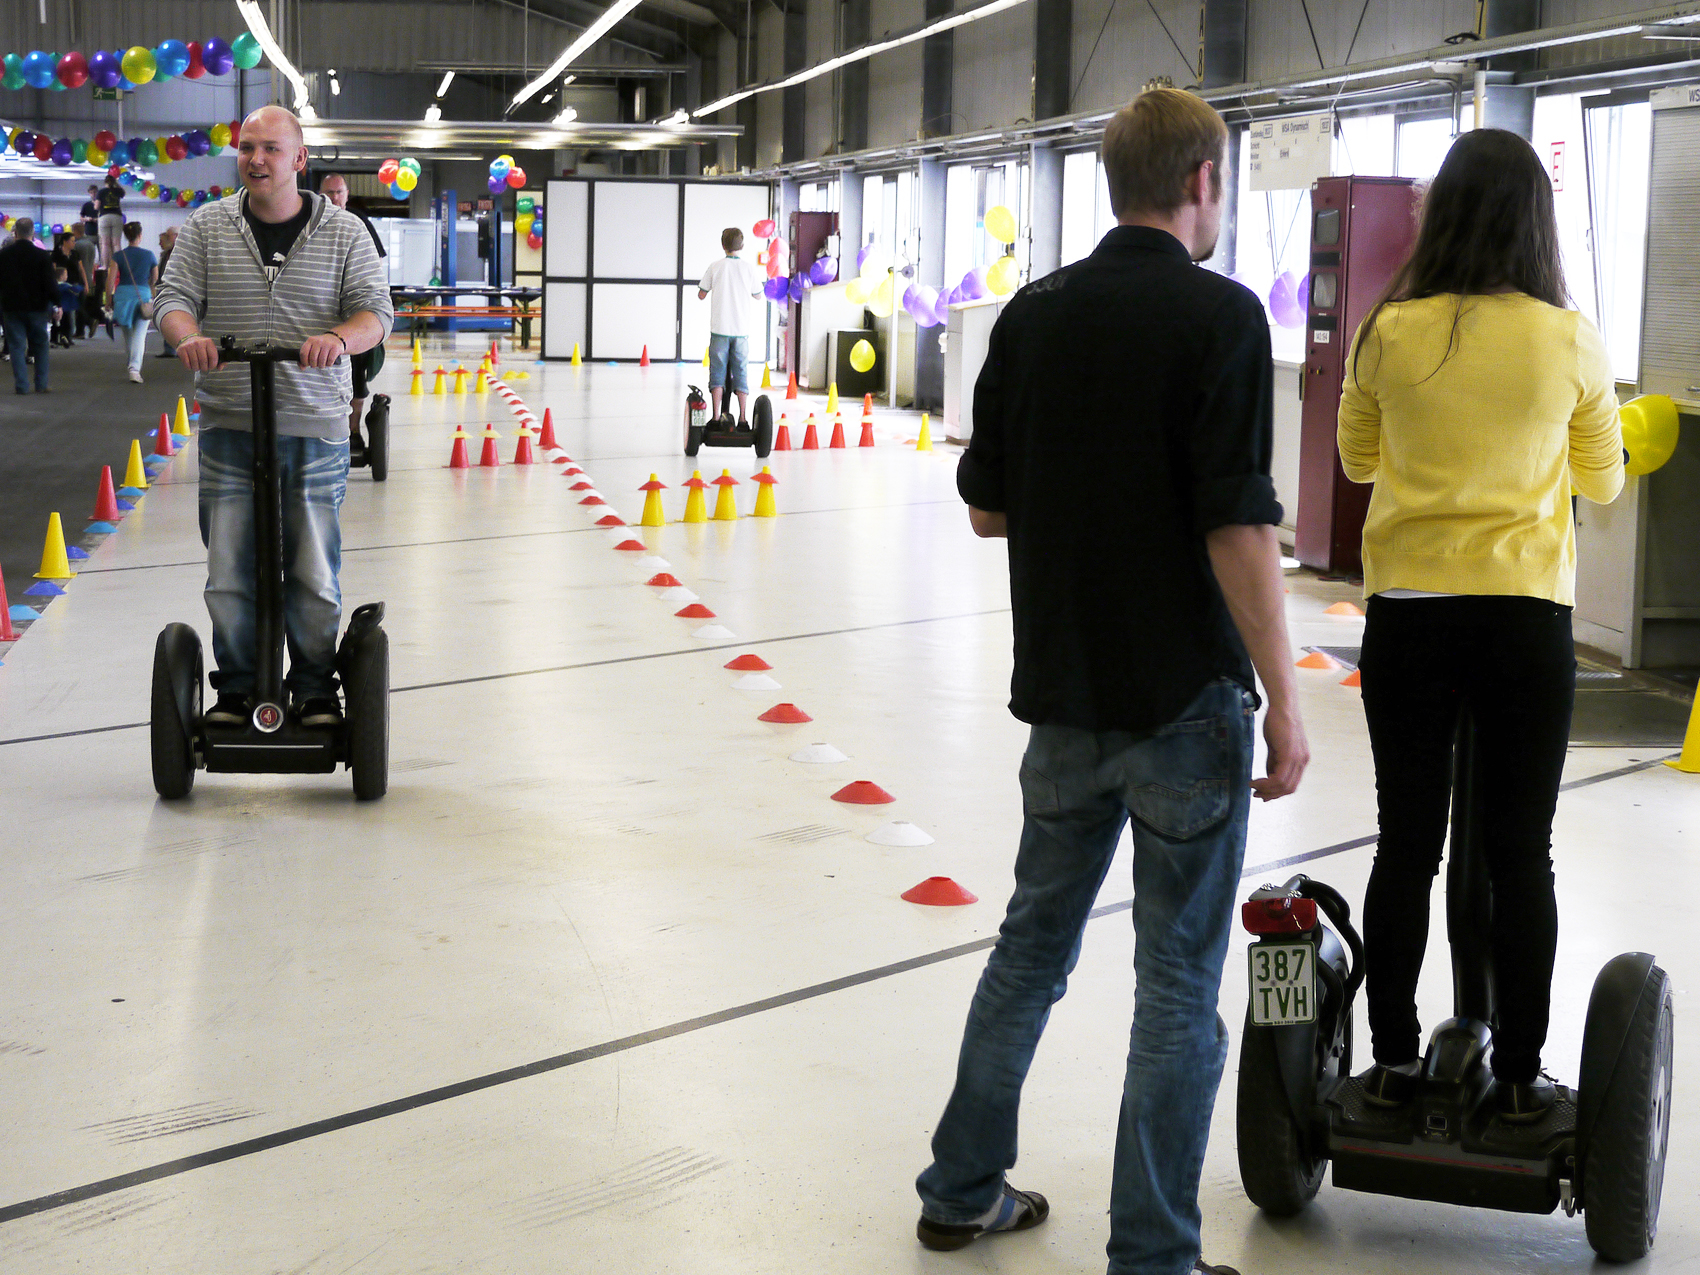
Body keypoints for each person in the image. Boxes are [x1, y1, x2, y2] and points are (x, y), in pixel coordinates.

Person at [914, 88, 1307, 1275]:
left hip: (1064, 697)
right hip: (1184, 701)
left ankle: (960, 1191)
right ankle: (1150, 1253)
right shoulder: (1219, 318)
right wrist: (1284, 703)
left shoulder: (1029, 316)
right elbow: (1234, 527)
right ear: (1199, 181)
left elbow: (985, 506)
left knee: (1029, 948)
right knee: (1178, 982)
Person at [1337, 128, 1624, 1124]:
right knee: (1518, 853)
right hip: (1522, 621)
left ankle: (1385, 1065)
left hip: (1408, 617)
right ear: (1536, 222)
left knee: (1404, 847)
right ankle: (1514, 1082)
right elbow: (1602, 478)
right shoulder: (1568, 338)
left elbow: (1357, 459)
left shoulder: (1387, 330)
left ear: (1441, 214)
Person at [155, 105, 393, 730]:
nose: (256, 159)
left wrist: (339, 339)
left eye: (270, 149)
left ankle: (314, 688)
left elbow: (376, 313)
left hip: (313, 425)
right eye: (247, 147)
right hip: (232, 422)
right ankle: (235, 690)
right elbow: (172, 299)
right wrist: (188, 338)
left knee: (313, 572)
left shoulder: (343, 233)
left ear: (299, 161)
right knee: (229, 571)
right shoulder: (208, 226)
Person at [319, 173, 388, 447]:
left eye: (338, 192)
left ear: (346, 194)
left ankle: (354, 431)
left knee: (357, 376)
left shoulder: (360, 224)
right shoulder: (313, 224)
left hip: (355, 316)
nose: (334, 198)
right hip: (323, 312)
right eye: (328, 193)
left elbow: (376, 271)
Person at [696, 227, 764, 421]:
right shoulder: (749, 268)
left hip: (719, 330)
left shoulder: (715, 266)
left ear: (722, 245)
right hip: (741, 331)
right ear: (742, 246)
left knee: (717, 373)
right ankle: (743, 417)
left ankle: (716, 416)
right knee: (741, 372)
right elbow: (758, 295)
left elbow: (701, 294)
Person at [0, 218, 59, 394]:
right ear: (33, 233)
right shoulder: (42, 256)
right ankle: (41, 384)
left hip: (11, 306)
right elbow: (50, 283)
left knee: (16, 346)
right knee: (40, 345)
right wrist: (57, 304)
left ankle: (21, 385)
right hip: (37, 307)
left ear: (15, 233)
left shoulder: (3, 255)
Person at [110, 221, 158, 383]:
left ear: (126, 236)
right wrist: (150, 290)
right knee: (140, 335)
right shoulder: (149, 255)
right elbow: (155, 278)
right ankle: (134, 368)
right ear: (140, 235)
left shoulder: (118, 256)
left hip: (123, 295)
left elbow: (110, 280)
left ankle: (132, 365)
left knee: (128, 334)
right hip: (142, 295)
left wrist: (109, 299)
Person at [68, 224, 100, 339]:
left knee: (78, 305)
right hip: (89, 277)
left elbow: (76, 264)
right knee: (82, 303)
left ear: (76, 231)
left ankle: (88, 322)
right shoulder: (91, 244)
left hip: (79, 277)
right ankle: (81, 331)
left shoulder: (77, 246)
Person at [50, 232, 80, 347]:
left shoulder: (75, 254)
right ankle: (55, 338)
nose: (74, 243)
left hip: (71, 285)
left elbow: (80, 268)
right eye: (72, 241)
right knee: (58, 313)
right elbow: (52, 268)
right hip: (59, 285)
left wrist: (85, 283)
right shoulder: (56, 253)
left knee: (70, 313)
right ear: (65, 241)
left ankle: (67, 336)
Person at [155, 227, 179, 357]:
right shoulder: (166, 254)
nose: (160, 243)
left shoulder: (174, 254)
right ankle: (170, 348)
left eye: (162, 241)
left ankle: (172, 349)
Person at [95, 172, 125, 272]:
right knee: (116, 243)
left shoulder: (101, 192)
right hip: (117, 217)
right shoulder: (118, 191)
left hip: (104, 217)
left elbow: (96, 207)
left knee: (105, 244)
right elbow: (123, 192)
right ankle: (119, 266)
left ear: (105, 182)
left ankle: (105, 266)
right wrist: (116, 185)